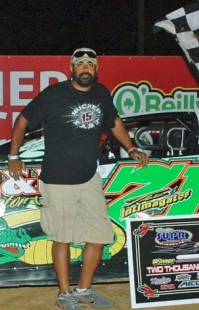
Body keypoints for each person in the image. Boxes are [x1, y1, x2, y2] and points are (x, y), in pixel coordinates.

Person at [7, 47, 149, 310]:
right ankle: (65, 295)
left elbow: (115, 121)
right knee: (61, 238)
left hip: (88, 179)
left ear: (95, 69)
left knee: (99, 234)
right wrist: (14, 156)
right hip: (58, 180)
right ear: (71, 68)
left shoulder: (101, 93)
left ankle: (84, 290)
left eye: (90, 64)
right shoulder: (54, 94)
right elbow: (23, 120)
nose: (85, 67)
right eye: (80, 63)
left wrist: (131, 148)